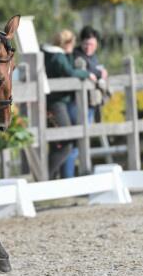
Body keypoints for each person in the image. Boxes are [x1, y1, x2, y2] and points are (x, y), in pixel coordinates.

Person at [42, 29, 96, 179]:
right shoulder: (58, 57)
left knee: (57, 144)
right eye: (72, 43)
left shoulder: (51, 54)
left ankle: (49, 179)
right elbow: (70, 72)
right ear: (66, 43)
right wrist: (87, 74)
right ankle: (45, 177)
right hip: (56, 105)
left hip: (52, 104)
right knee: (65, 144)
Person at [73, 26, 108, 123]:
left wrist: (102, 71)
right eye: (86, 44)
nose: (88, 47)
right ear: (81, 43)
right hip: (80, 101)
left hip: (92, 100)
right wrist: (100, 73)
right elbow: (87, 69)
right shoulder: (77, 54)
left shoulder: (94, 56)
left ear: (96, 44)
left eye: (91, 44)